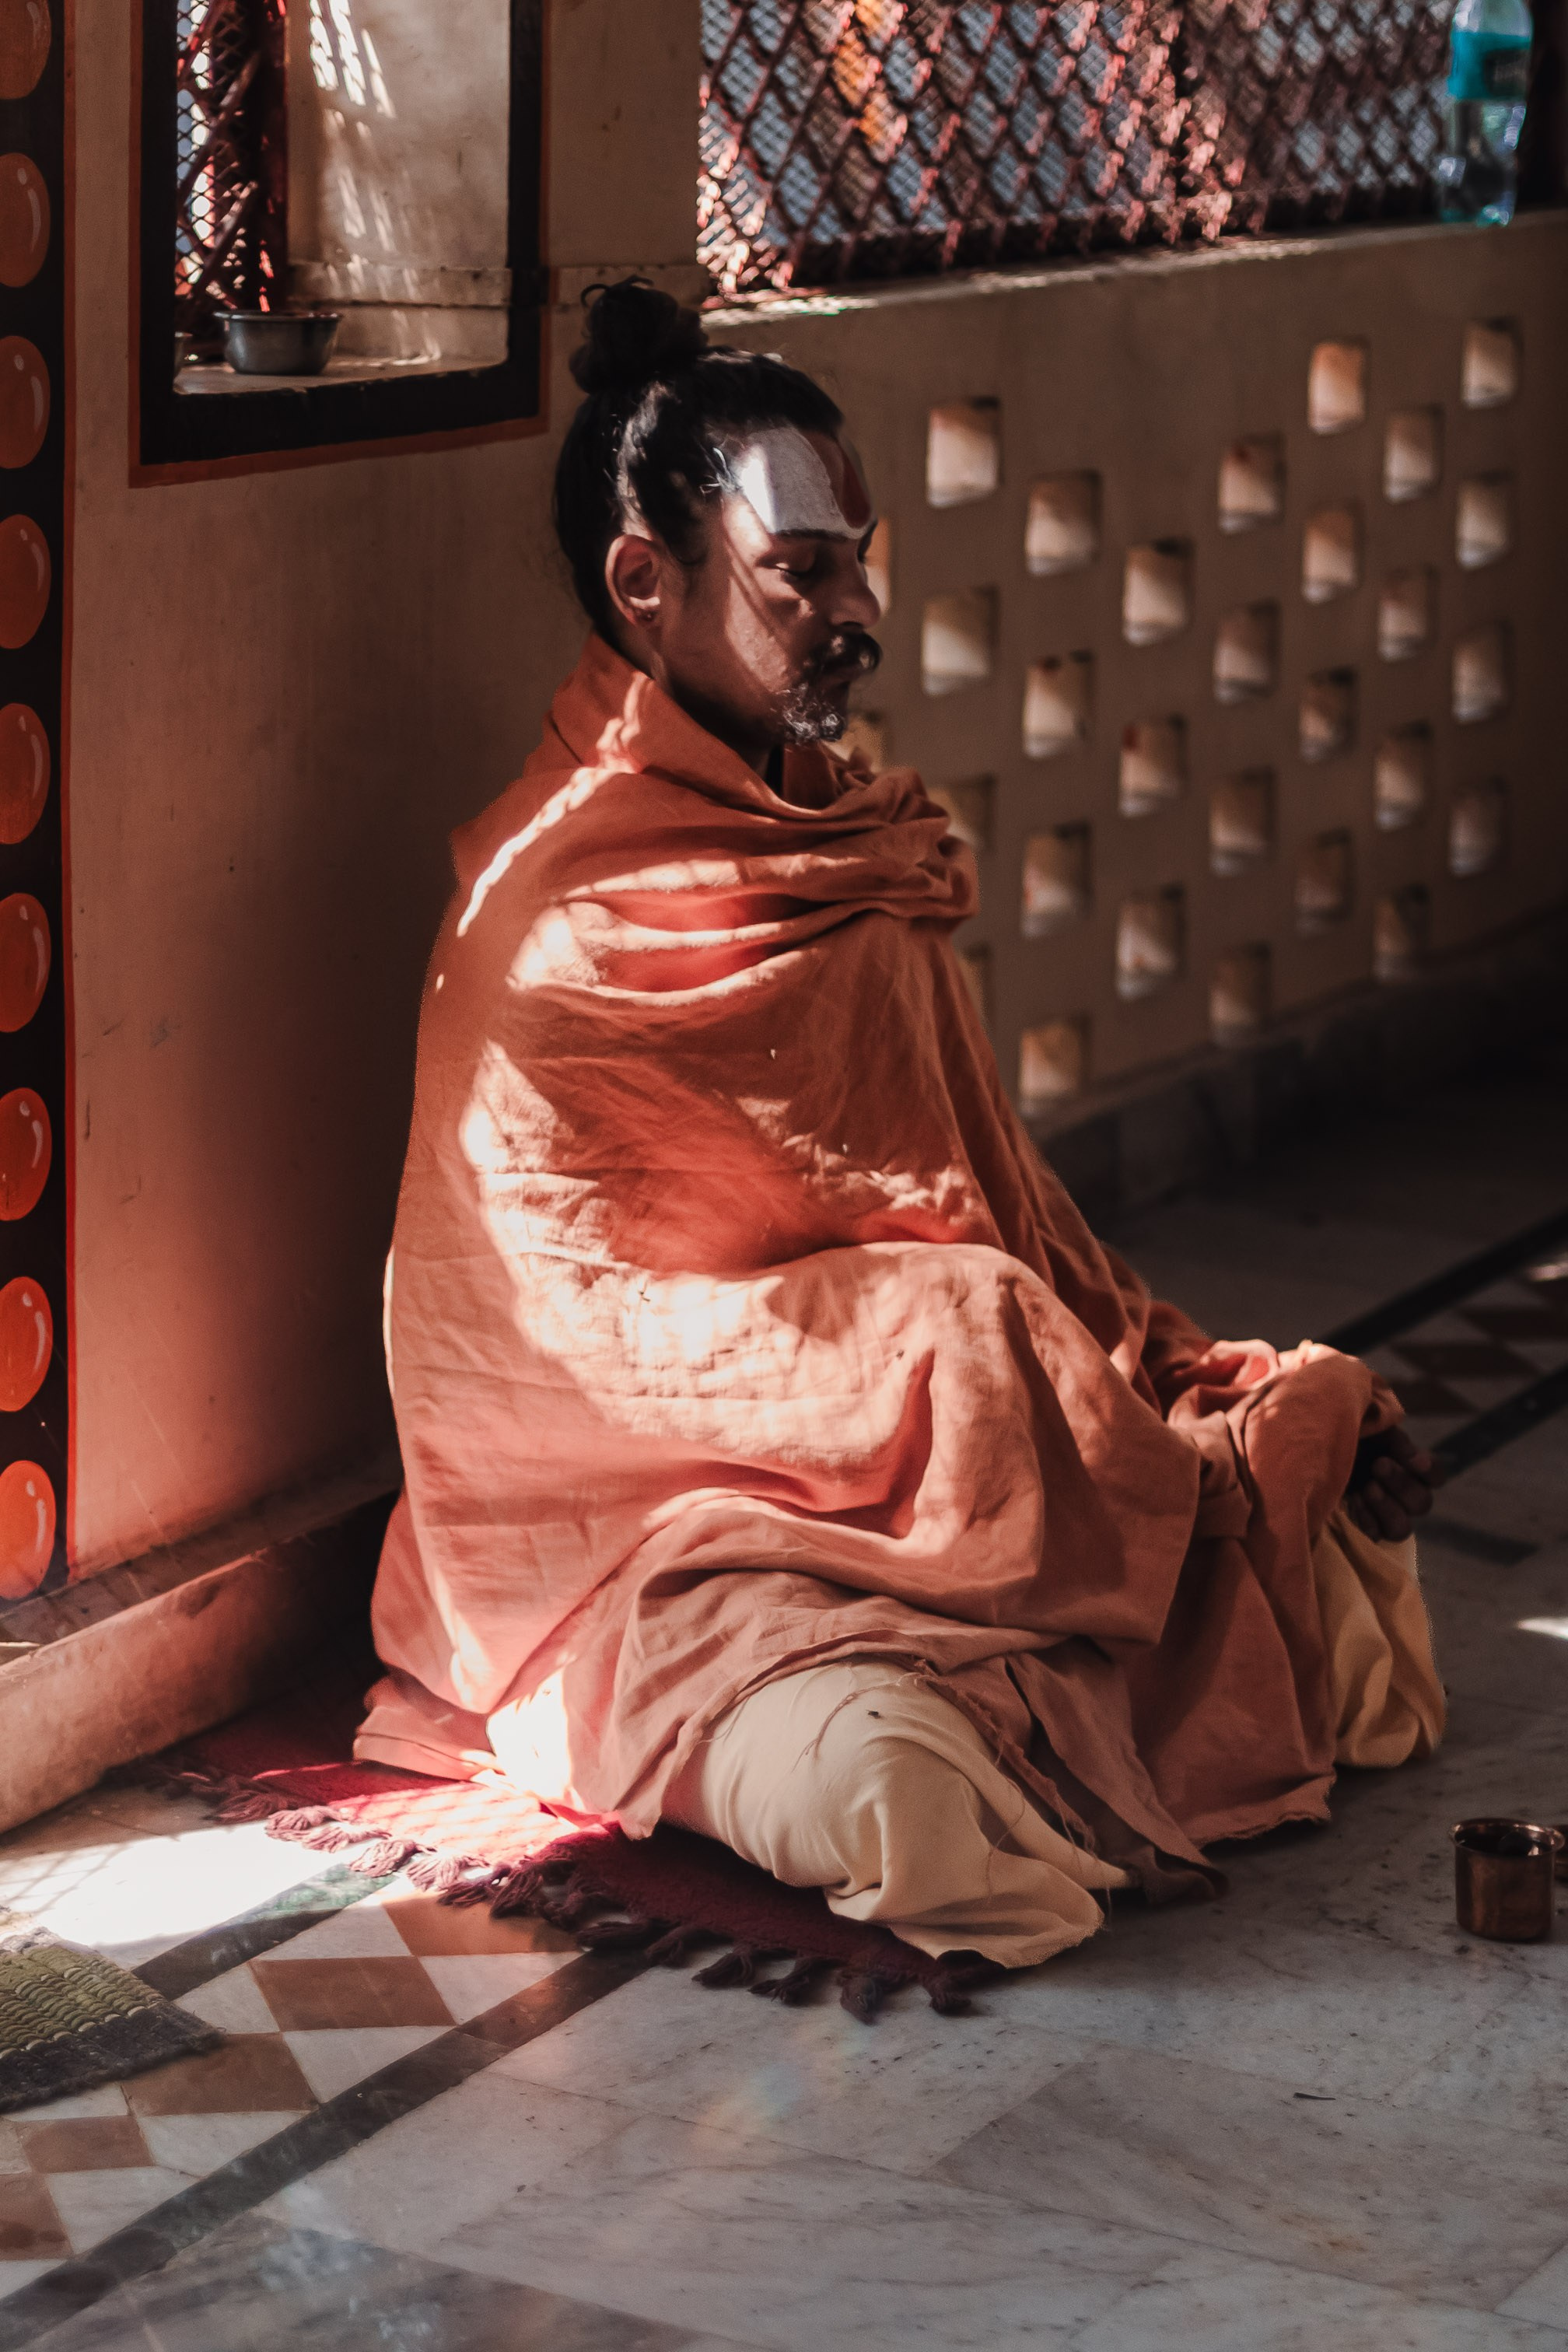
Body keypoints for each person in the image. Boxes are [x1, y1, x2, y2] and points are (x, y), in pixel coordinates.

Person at [357, 280, 1445, 1969]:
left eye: (862, 557)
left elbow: (995, 1203)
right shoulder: (555, 924)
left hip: (951, 1475)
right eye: (806, 568)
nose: (858, 609)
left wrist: (1150, 1371)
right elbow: (554, 1348)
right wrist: (936, 1350)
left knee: (1336, 1559)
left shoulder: (854, 850)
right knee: (901, 1792)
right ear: (647, 587)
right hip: (662, 1528)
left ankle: (1036, 1596)